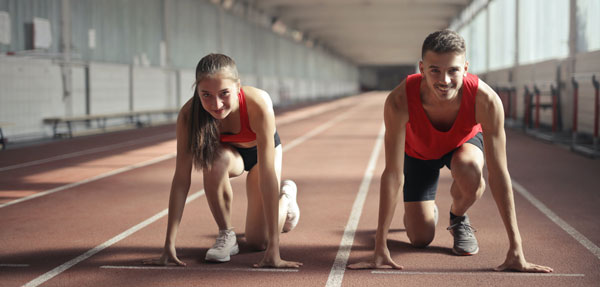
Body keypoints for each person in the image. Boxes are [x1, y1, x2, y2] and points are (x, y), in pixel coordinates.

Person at [348, 30, 553, 272]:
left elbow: (499, 174)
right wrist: (380, 246)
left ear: (465, 68)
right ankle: (425, 211)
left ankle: (458, 217)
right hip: (418, 153)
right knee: (420, 238)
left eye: (453, 70)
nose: (444, 80)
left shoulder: (486, 101)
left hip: (462, 146)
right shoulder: (399, 100)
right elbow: (393, 174)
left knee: (471, 173)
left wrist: (516, 247)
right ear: (421, 68)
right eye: (435, 70)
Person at [143, 53, 302, 268]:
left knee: (258, 242)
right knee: (213, 161)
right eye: (206, 94)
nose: (216, 104)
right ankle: (227, 235)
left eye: (224, 93)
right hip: (229, 156)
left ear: (238, 87)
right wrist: (168, 245)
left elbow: (267, 175)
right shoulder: (189, 115)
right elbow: (181, 179)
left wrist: (275, 249)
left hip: (262, 155)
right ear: (197, 90)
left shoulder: (258, 104)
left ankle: (287, 199)